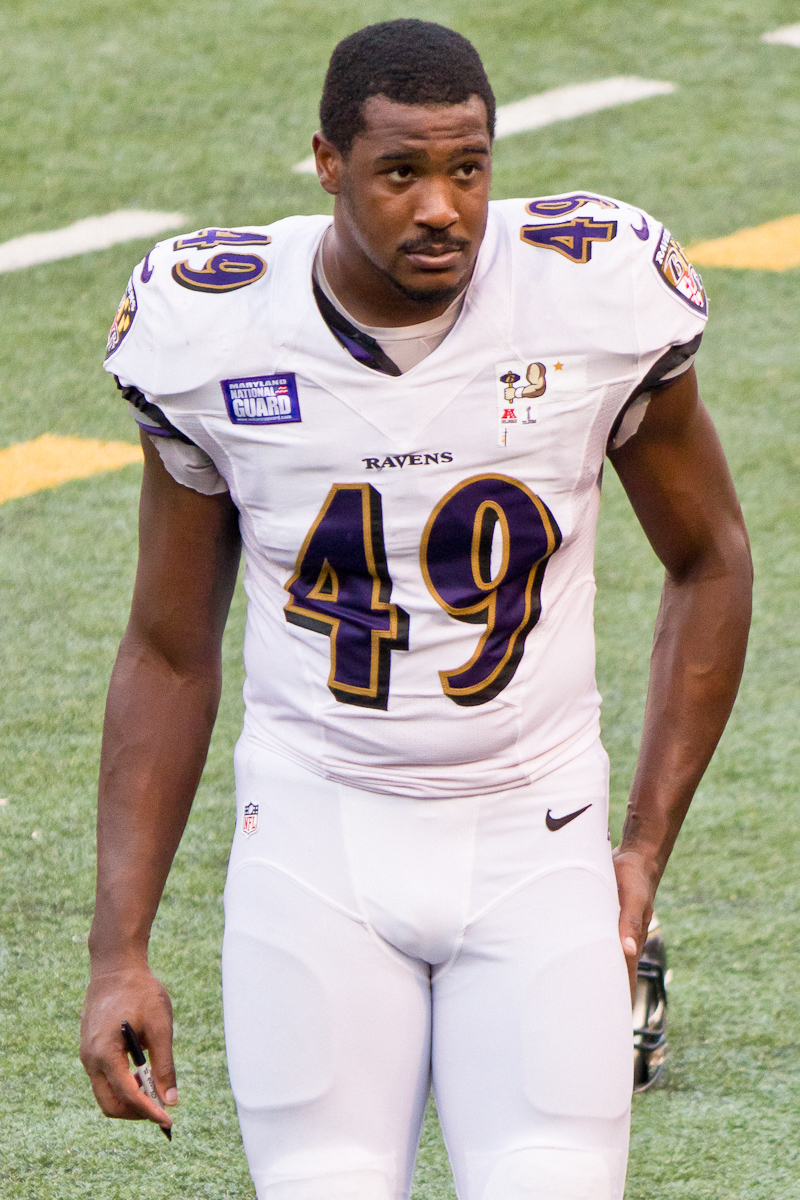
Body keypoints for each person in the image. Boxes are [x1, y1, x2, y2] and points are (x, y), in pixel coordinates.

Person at [80, 18, 752, 1200]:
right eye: (401, 172)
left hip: (536, 835)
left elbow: (709, 562)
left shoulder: (593, 296)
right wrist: (116, 951)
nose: (441, 206)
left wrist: (641, 846)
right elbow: (169, 648)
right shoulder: (212, 329)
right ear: (327, 165)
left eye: (468, 167)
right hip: (312, 837)